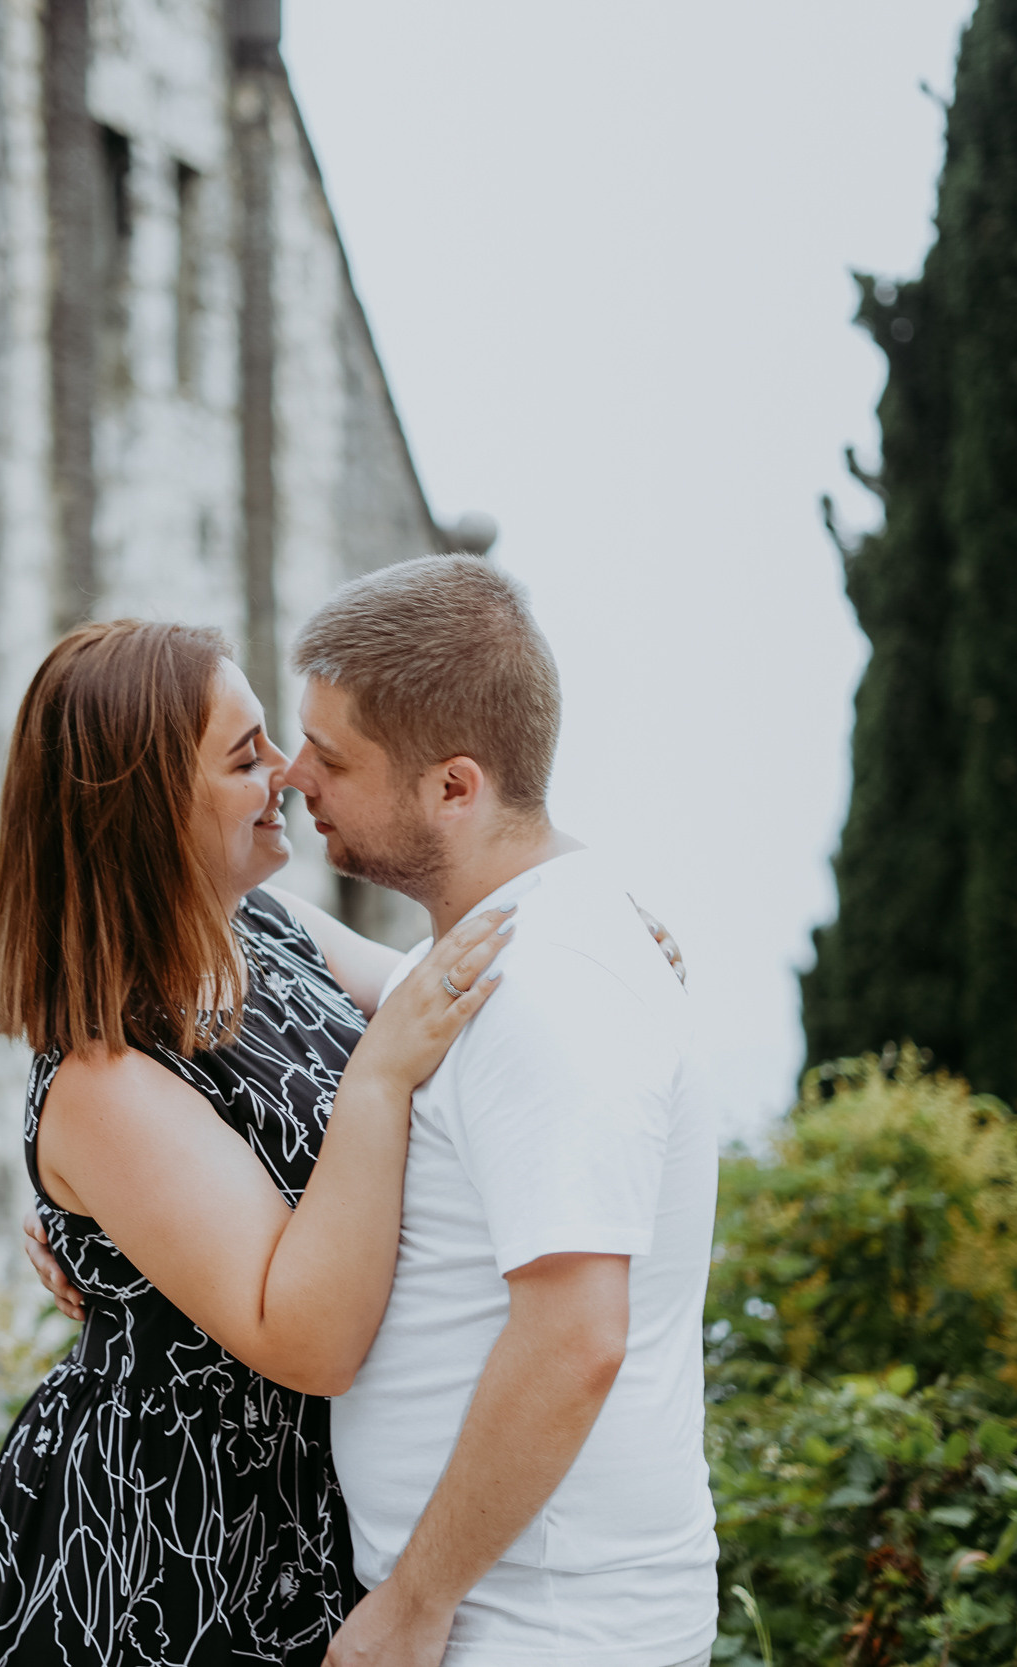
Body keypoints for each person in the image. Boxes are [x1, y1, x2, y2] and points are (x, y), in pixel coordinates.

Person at [0, 618, 520, 1667]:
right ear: (144, 812)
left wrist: (595, 934)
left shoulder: (265, 927)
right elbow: (307, 1338)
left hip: (303, 1513)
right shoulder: (105, 1078)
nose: (289, 770)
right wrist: (382, 1072)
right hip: (172, 1553)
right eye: (245, 755)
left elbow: (453, 990)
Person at [284, 556, 719, 1667]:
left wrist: (416, 1601)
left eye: (330, 756)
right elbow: (351, 971)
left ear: (454, 786)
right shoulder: (487, 948)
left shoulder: (549, 988)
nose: (295, 776)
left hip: (539, 1627)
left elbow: (576, 1336)